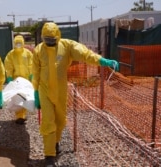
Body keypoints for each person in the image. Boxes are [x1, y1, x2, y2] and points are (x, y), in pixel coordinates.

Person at [32, 22, 119, 167]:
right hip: (45, 90)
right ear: (43, 38)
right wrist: (35, 91)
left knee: (60, 121)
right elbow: (35, 72)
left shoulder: (67, 46)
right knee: (48, 122)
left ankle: (55, 142)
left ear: (58, 37)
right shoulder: (38, 50)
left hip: (60, 91)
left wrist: (102, 61)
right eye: (47, 40)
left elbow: (84, 53)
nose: (50, 43)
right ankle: (49, 155)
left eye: (52, 40)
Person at [4, 35, 33, 124]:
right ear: (14, 44)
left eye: (20, 43)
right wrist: (9, 77)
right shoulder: (11, 54)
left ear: (23, 43)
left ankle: (22, 115)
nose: (19, 45)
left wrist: (32, 75)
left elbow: (31, 64)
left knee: (25, 97)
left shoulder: (27, 53)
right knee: (17, 97)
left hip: (26, 80)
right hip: (16, 80)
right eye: (17, 43)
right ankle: (19, 116)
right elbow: (8, 66)